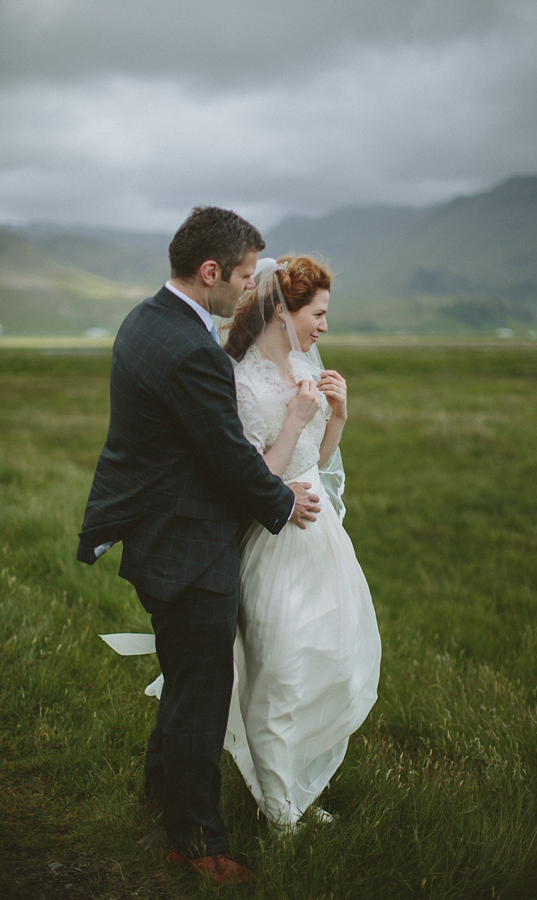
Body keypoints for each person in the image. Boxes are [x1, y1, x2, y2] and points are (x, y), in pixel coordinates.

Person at [76, 208, 320, 885]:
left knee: (186, 684)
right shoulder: (192, 352)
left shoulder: (146, 319)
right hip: (189, 547)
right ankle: (195, 840)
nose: (251, 290)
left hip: (159, 532)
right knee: (201, 697)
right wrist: (284, 501)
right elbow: (230, 465)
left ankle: (164, 793)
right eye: (244, 277)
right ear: (210, 272)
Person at [220, 255, 381, 828]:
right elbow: (247, 479)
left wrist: (336, 416)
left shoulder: (303, 366)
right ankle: (276, 808)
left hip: (321, 540)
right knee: (281, 671)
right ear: (282, 312)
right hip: (274, 538)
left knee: (325, 665)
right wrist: (292, 421)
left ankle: (299, 787)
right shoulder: (239, 382)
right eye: (318, 313)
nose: (324, 327)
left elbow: (317, 460)